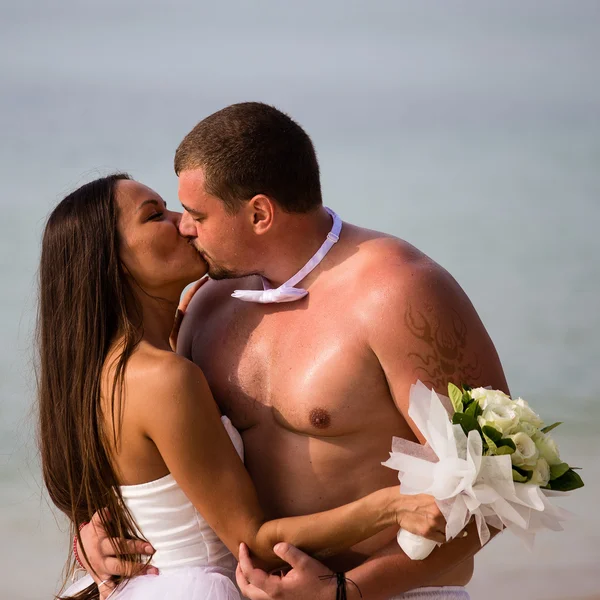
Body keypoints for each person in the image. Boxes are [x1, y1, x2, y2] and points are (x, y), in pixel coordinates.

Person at [80, 103, 509, 599]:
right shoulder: (207, 304)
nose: (184, 227)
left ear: (259, 213)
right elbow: (153, 442)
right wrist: (94, 532)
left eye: (197, 215)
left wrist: (344, 591)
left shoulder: (397, 293)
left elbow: (496, 488)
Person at [37, 174, 446, 600]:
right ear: (112, 262)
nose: (185, 224)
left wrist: (85, 537)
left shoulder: (103, 372)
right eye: (155, 215)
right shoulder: (162, 377)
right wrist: (391, 505)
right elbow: (251, 541)